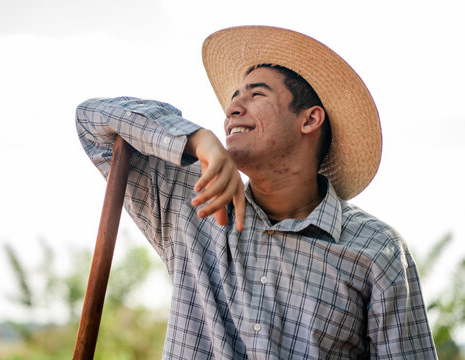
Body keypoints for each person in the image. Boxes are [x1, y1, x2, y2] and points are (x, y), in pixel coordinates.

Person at [76, 26, 437, 359]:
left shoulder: (378, 251)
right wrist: (198, 139)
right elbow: (92, 121)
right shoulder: (191, 201)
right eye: (234, 97)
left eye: (256, 94)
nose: (233, 108)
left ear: (309, 119)